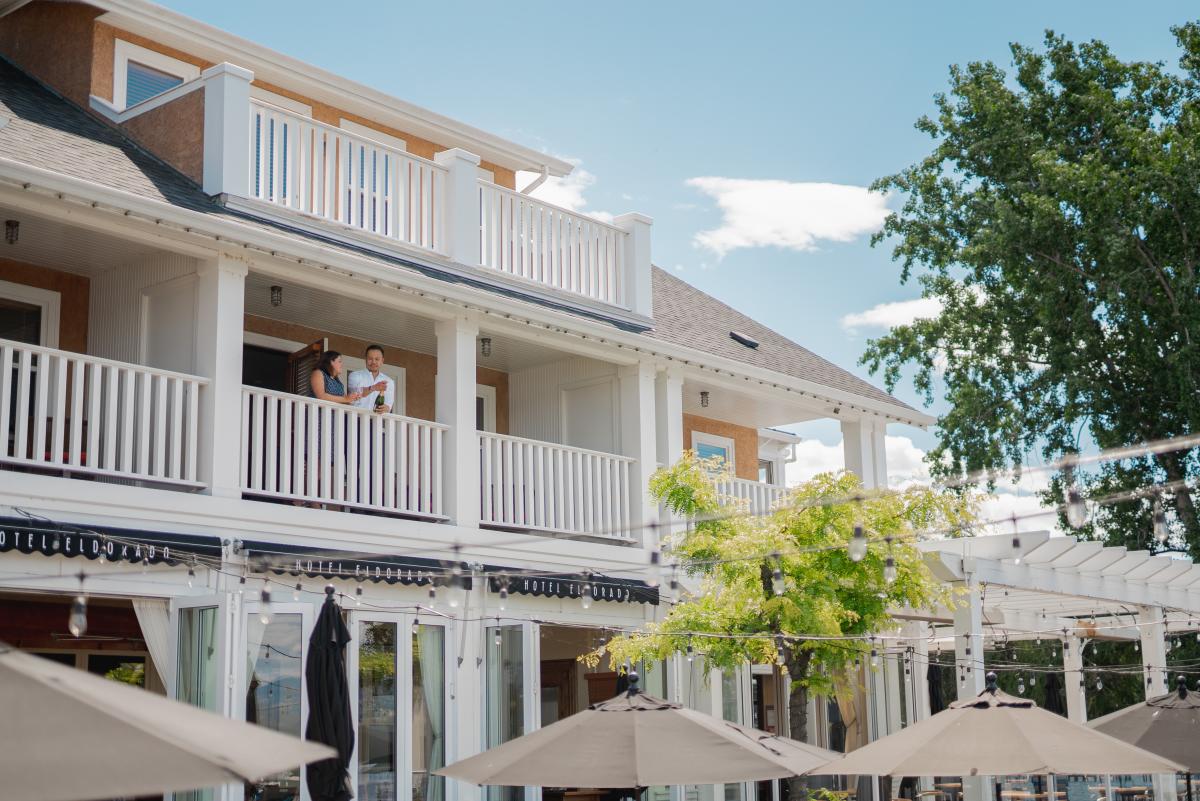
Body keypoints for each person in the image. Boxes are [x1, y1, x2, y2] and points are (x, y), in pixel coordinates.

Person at [347, 344, 395, 413]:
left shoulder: (389, 381)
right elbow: (355, 393)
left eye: (377, 359)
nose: (373, 362)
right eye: (370, 359)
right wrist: (374, 387)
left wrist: (386, 408)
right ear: (365, 359)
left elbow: (388, 405)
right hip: (355, 418)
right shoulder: (355, 375)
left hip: (377, 421)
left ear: (382, 361)